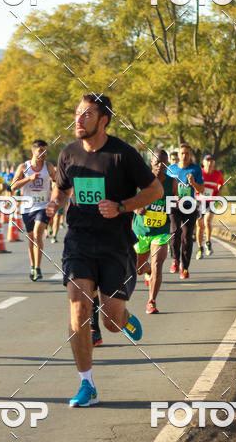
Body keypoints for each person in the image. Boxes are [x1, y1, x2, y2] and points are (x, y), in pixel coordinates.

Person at [46, 94, 163, 407]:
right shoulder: (68, 153)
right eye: (77, 113)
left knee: (110, 321)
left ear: (103, 120)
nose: (78, 119)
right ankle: (87, 384)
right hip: (79, 243)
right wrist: (55, 202)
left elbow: (155, 190)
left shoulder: (123, 155)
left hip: (115, 245)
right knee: (79, 310)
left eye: (86, 114)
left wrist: (123, 206)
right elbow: (61, 186)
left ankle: (122, 318)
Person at [133, 149, 177, 314]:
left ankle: (151, 301)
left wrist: (175, 204)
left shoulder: (171, 183)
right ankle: (147, 271)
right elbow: (129, 198)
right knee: (139, 269)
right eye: (157, 162)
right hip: (141, 230)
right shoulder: (140, 179)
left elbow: (173, 202)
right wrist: (136, 207)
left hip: (161, 231)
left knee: (158, 263)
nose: (161, 166)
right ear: (151, 162)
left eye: (164, 163)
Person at [11, 140, 56, 281]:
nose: (43, 154)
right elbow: (13, 186)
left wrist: (55, 198)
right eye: (40, 151)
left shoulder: (48, 166)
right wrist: (29, 178)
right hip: (27, 207)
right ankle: (32, 266)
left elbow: (57, 182)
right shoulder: (24, 167)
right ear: (33, 151)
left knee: (37, 233)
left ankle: (37, 267)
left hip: (43, 206)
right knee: (31, 239)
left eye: (45, 151)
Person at [167, 142, 204, 279]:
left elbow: (201, 189)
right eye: (182, 153)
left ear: (190, 155)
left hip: (189, 206)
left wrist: (193, 183)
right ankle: (175, 260)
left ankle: (185, 267)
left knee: (187, 238)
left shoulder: (196, 169)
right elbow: (164, 187)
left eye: (187, 153)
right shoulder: (171, 169)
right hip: (174, 206)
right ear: (178, 154)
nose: (184, 156)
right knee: (175, 231)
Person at [196, 154, 225, 258]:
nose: (209, 163)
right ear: (203, 163)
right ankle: (200, 248)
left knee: (207, 221)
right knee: (199, 225)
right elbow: (193, 183)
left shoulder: (217, 174)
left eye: (211, 161)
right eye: (207, 161)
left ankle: (208, 243)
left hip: (211, 201)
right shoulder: (199, 172)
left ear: (214, 163)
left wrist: (219, 190)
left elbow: (221, 183)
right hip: (199, 201)